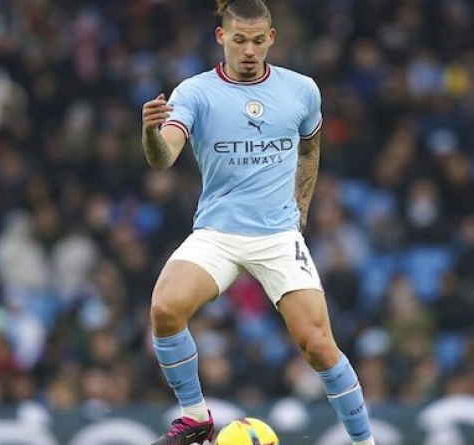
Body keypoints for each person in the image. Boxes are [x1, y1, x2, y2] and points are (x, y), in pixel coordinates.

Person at [139, 1, 375, 444]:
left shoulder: (301, 90)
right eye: (239, 40)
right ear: (221, 37)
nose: (249, 50)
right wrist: (152, 132)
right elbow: (163, 157)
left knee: (318, 345)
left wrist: (300, 210)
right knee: (165, 309)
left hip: (277, 235)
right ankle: (195, 417)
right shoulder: (195, 92)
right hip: (217, 232)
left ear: (271, 38)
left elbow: (310, 148)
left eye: (257, 41)